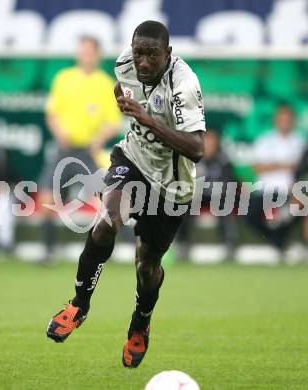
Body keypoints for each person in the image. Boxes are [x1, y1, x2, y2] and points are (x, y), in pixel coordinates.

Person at [46, 20, 206, 368]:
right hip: (132, 159)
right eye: (139, 54)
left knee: (146, 266)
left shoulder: (184, 85)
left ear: (168, 54)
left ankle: (140, 322)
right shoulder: (124, 63)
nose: (143, 63)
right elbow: (123, 84)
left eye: (152, 55)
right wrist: (121, 99)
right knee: (107, 220)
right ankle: (78, 305)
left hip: (173, 183)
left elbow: (197, 148)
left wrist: (148, 121)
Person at [39, 35, 121, 261]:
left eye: (88, 51)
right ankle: (48, 251)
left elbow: (113, 123)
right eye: (81, 51)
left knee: (108, 200)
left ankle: (105, 251)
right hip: (64, 149)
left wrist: (98, 138)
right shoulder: (64, 78)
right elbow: (52, 113)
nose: (84, 55)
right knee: (47, 199)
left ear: (97, 55)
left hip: (88, 152)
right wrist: (59, 132)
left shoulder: (105, 83)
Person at [247, 104, 305, 251]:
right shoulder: (264, 140)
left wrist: (272, 164)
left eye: (288, 119)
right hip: (265, 190)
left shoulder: (301, 143)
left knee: (300, 208)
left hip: (290, 192)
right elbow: (257, 166)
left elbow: (301, 170)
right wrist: (285, 165)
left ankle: (287, 243)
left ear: (293, 121)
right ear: (276, 120)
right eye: (282, 119)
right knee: (248, 213)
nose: (285, 122)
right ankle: (276, 240)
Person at [177, 129, 238, 258]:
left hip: (218, 196)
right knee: (183, 206)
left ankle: (229, 244)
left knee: (225, 205)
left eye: (212, 142)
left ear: (217, 144)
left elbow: (230, 182)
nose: (209, 146)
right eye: (206, 142)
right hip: (197, 196)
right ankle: (182, 245)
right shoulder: (191, 159)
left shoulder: (224, 161)